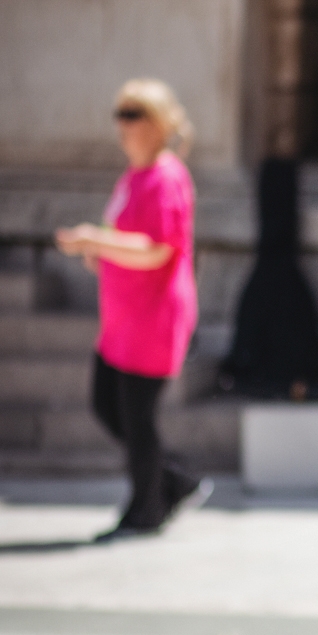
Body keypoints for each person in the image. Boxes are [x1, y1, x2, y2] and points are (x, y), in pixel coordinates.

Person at [55, 79, 209, 541]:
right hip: (122, 318)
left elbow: (157, 249)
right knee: (108, 406)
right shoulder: (133, 176)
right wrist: (98, 249)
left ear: (157, 123)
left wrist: (97, 241)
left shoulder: (166, 176)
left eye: (134, 113)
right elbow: (123, 238)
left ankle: (146, 508)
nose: (123, 124)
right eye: (120, 113)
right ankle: (174, 482)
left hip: (152, 317)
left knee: (137, 417)